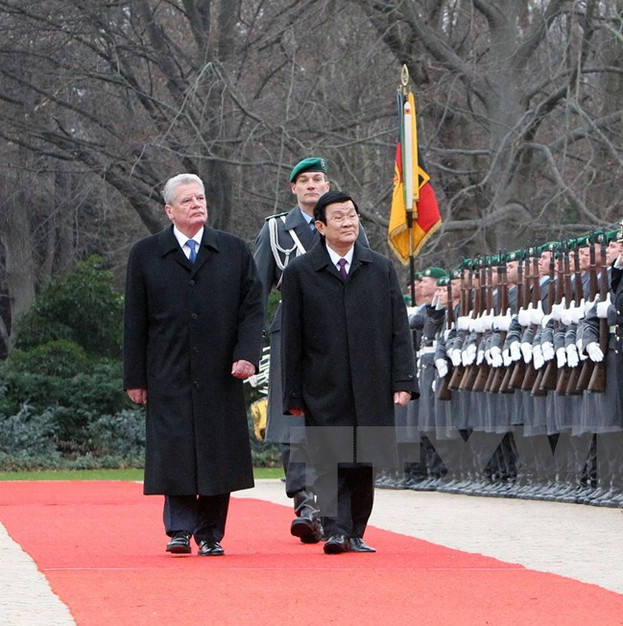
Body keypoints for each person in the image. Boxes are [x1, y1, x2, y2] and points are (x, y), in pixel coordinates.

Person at [123, 173, 264, 557]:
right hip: (167, 370)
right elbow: (134, 319)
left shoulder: (233, 251)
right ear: (169, 210)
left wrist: (247, 354)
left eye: (200, 198)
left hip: (222, 371)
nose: (197, 205)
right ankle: (180, 529)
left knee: (220, 452)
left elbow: (253, 309)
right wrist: (135, 377)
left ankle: (211, 533)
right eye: (187, 201)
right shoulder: (146, 254)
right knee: (175, 450)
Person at [281, 190, 418, 554]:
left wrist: (404, 381)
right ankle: (335, 528)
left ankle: (355, 529)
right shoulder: (301, 273)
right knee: (330, 458)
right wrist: (292, 394)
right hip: (322, 384)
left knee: (363, 459)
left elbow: (398, 330)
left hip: (371, 380)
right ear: (321, 226)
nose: (348, 223)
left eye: (352, 216)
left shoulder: (379, 267)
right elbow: (291, 338)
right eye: (339, 217)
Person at [253, 156, 369, 544]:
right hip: (292, 328)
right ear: (293, 189)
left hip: (341, 332)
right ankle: (304, 500)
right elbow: (256, 292)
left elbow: (366, 275)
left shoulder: (348, 225)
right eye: (303, 181)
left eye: (318, 179)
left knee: (337, 420)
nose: (312, 186)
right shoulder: (275, 231)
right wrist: (246, 347)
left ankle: (332, 507)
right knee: (294, 418)